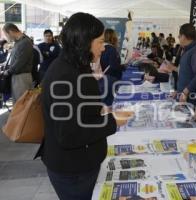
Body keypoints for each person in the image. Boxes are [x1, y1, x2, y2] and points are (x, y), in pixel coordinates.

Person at [35, 12, 131, 200]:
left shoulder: (75, 66)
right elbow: (68, 134)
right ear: (84, 41)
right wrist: (112, 121)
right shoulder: (65, 75)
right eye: (100, 42)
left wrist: (101, 110)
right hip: (72, 171)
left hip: (79, 165)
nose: (103, 48)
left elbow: (79, 111)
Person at [2, 23, 33, 103]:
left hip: (22, 77)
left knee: (21, 104)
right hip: (18, 77)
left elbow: (19, 63)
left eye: (6, 35)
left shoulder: (25, 42)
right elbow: (15, 60)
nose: (6, 38)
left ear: (10, 32)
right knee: (18, 104)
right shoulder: (18, 42)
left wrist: (7, 72)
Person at [100, 28, 122, 106]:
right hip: (110, 80)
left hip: (102, 80)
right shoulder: (111, 49)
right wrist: (122, 67)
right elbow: (114, 67)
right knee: (109, 103)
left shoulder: (101, 47)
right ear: (113, 37)